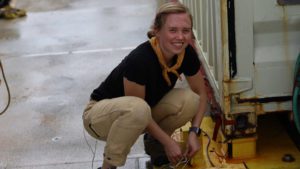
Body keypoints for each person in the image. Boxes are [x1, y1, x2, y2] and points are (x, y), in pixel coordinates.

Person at [82, 2, 208, 169]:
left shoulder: (186, 54)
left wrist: (194, 131)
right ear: (157, 31)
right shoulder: (140, 60)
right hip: (100, 117)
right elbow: (138, 108)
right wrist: (169, 142)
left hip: (140, 113)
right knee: (138, 108)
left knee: (191, 100)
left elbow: (201, 93)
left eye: (185, 30)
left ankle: (157, 150)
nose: (180, 37)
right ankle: (107, 167)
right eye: (172, 30)